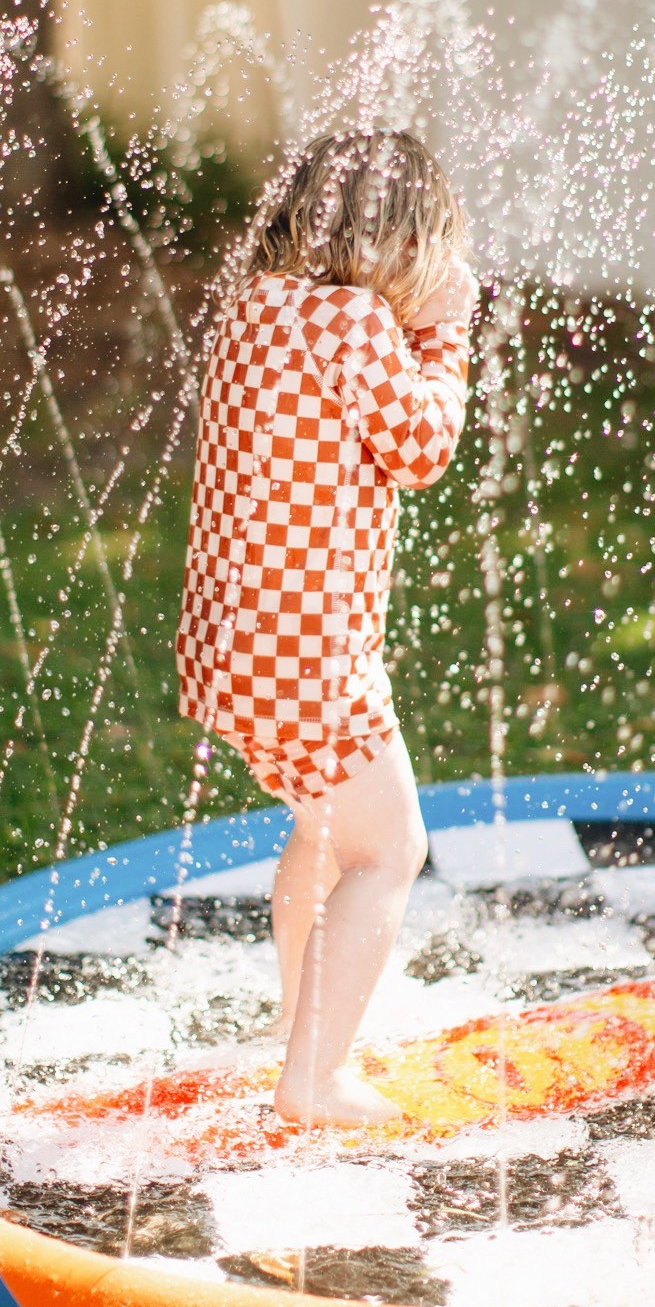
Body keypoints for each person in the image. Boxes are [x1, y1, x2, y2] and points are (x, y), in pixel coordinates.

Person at [176, 130, 476, 1126]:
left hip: (235, 643)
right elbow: (422, 446)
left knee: (321, 825)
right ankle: (314, 1076)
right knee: (388, 848)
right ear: (404, 244)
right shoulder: (353, 324)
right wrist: (446, 338)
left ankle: (297, 1020)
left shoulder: (255, 305)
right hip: (310, 654)